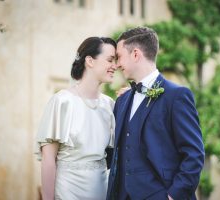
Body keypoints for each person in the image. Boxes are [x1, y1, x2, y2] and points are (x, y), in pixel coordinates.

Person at [107, 27, 205, 200]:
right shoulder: (122, 101)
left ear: (135, 54)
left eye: (119, 57)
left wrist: (173, 195)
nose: (116, 64)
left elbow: (194, 154)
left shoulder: (177, 96)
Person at [35, 37, 117, 200]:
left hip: (101, 190)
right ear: (90, 61)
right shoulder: (62, 102)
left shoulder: (110, 105)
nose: (115, 66)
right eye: (110, 60)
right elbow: (48, 158)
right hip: (68, 191)